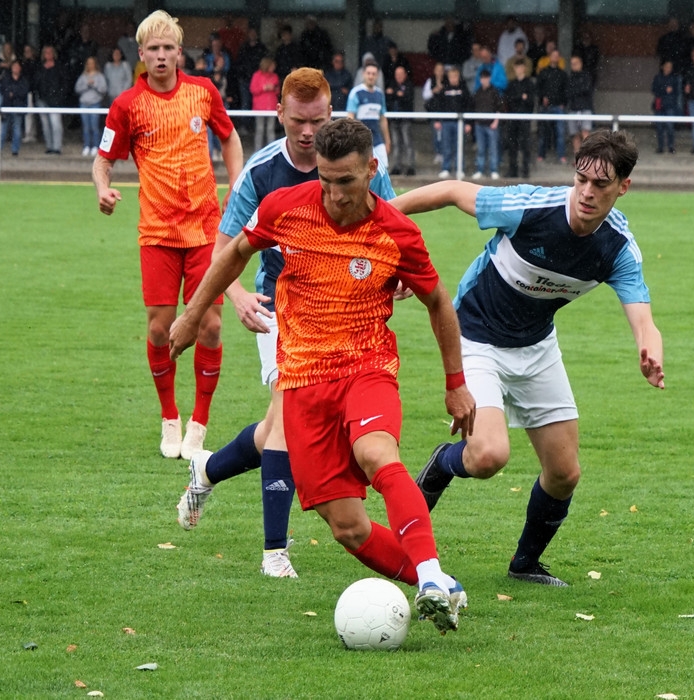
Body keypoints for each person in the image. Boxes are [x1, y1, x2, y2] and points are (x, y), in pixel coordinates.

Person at [170, 117, 474, 633]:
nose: (334, 194)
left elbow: (439, 302)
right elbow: (234, 254)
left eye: (346, 181)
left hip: (366, 367)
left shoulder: (396, 232)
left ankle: (427, 574)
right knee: (348, 527)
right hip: (303, 381)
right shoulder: (285, 207)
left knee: (376, 453)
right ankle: (443, 587)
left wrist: (456, 383)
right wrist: (193, 313)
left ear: (372, 170)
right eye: (326, 180)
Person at [390, 129, 665, 588]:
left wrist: (650, 348)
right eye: (581, 180)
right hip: (475, 335)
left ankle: (525, 564)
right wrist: (382, 213)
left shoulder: (617, 247)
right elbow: (453, 190)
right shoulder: (530, 206)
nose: (587, 193)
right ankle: (442, 463)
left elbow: (644, 318)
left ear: (624, 186)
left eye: (601, 184)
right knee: (488, 456)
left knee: (564, 473)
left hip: (536, 347)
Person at [172, 67, 396, 579]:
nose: (309, 131)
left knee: (276, 427)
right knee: (288, 420)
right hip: (279, 308)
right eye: (298, 121)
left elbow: (389, 224)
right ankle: (274, 551)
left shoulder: (360, 163)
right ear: (280, 114)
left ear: (331, 112)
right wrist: (236, 295)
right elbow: (224, 249)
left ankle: (207, 468)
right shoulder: (261, 172)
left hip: (346, 312)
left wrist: (396, 274)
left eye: (318, 120)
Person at [93, 10, 244, 459]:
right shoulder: (127, 105)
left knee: (210, 326)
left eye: (168, 48)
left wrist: (237, 185)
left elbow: (230, 138)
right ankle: (169, 417)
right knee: (161, 329)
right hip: (157, 232)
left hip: (205, 230)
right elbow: (103, 158)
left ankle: (199, 423)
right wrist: (102, 189)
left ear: (180, 52)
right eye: (153, 49)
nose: (161, 55)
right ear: (141, 54)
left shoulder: (203, 91)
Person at [346, 61, 390, 168]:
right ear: (363, 74)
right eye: (368, 73)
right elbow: (350, 118)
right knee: (362, 170)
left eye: (373, 74)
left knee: (383, 168)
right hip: (361, 140)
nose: (371, 76)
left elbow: (383, 119)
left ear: (377, 76)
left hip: (377, 139)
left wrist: (387, 140)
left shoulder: (379, 94)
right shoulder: (356, 93)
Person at [435, 64, 472, 178]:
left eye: (455, 76)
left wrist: (468, 123)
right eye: (451, 77)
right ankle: (446, 168)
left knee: (459, 146)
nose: (453, 79)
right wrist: (437, 120)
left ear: (458, 77)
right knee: (446, 146)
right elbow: (439, 105)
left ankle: (459, 168)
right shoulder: (444, 90)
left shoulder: (464, 90)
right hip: (446, 122)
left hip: (459, 123)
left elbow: (469, 106)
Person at [503, 58, 535, 178]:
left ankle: (525, 170)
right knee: (512, 145)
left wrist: (520, 99)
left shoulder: (529, 84)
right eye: (517, 67)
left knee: (525, 145)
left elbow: (531, 101)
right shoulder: (511, 84)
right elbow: (508, 100)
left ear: (524, 68)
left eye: (521, 67)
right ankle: (513, 170)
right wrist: (520, 97)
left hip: (524, 118)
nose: (519, 70)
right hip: (513, 118)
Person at [35, 45, 68, 155]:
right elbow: (36, 81)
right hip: (42, 99)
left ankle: (57, 147)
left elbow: (64, 83)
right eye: (46, 52)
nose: (48, 54)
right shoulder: (40, 67)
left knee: (56, 124)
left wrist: (60, 96)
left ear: (54, 54)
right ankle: (49, 146)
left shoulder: (59, 67)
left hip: (55, 100)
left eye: (50, 52)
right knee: (45, 125)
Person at [536, 48, 568, 163]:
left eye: (557, 55)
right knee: (543, 132)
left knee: (560, 133)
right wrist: (542, 98)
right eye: (553, 55)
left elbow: (566, 90)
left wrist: (563, 103)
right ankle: (541, 154)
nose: (555, 57)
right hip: (545, 107)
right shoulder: (543, 72)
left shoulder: (562, 74)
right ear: (549, 57)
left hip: (558, 107)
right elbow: (538, 89)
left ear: (559, 58)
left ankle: (561, 155)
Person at [470, 68, 501, 181]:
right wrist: (475, 121)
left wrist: (496, 122)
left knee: (493, 149)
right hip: (479, 125)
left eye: (486, 78)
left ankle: (494, 170)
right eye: (482, 78)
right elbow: (473, 107)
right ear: (480, 79)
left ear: (489, 78)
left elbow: (499, 108)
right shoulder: (477, 92)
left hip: (491, 125)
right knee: (481, 149)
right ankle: (480, 170)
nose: (484, 80)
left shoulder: (494, 92)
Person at [384, 64, 415, 176]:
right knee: (396, 143)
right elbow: (388, 98)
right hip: (394, 119)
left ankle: (410, 166)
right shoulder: (392, 84)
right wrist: (397, 95)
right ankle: (397, 166)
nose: (399, 76)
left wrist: (395, 94)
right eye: (397, 74)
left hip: (405, 119)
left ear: (405, 75)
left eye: (401, 74)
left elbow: (407, 98)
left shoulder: (409, 85)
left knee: (407, 143)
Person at [75, 56, 107, 156]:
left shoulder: (100, 76)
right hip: (84, 104)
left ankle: (96, 146)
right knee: (86, 127)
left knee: (94, 126)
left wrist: (94, 85)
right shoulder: (83, 76)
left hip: (95, 104)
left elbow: (104, 89)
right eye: (88, 63)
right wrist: (86, 85)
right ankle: (86, 146)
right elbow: (77, 89)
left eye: (92, 63)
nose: (90, 65)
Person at [0, 59, 28, 156]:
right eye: (14, 66)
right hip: (6, 106)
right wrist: (13, 92)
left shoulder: (24, 80)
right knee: (2, 131)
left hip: (18, 108)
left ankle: (15, 150)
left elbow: (24, 92)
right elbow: (2, 89)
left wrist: (12, 93)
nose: (16, 68)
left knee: (17, 130)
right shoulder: (6, 78)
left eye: (17, 67)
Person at [566, 54, 594, 155]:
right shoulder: (570, 78)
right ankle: (577, 157)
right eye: (572, 64)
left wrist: (575, 91)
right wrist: (577, 90)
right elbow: (568, 92)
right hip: (573, 109)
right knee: (575, 135)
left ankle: (587, 157)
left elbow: (586, 90)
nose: (574, 65)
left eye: (576, 63)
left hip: (585, 108)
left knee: (585, 133)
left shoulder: (586, 76)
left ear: (581, 63)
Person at [250, 56, 279, 152]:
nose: (274, 68)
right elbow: (253, 89)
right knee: (260, 129)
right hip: (260, 107)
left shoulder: (275, 76)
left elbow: (278, 90)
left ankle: (272, 151)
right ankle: (258, 151)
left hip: (271, 106)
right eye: (272, 66)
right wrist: (264, 88)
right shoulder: (256, 75)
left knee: (270, 130)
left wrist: (273, 88)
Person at [651, 59, 680, 154]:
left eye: (670, 67)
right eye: (667, 66)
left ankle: (671, 146)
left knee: (670, 127)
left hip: (670, 105)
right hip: (659, 106)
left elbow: (677, 92)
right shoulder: (657, 78)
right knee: (659, 127)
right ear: (662, 67)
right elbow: (654, 90)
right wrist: (664, 90)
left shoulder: (674, 78)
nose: (668, 68)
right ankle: (660, 147)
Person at [0, 42, 15, 108]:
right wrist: (0, 67)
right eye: (5, 49)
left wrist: (11, 66)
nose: (7, 51)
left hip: (13, 84)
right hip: (1, 84)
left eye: (8, 49)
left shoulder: (15, 60)